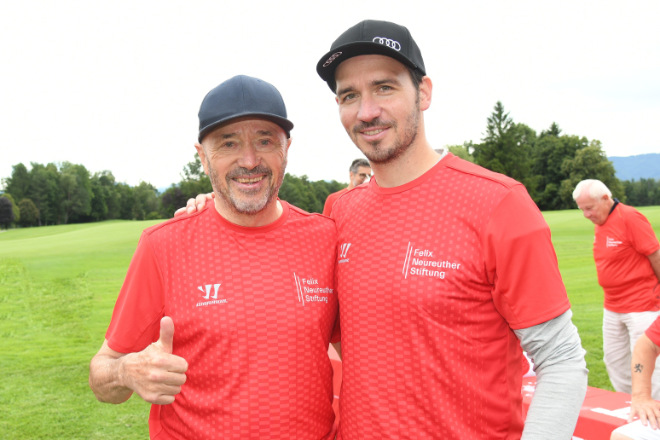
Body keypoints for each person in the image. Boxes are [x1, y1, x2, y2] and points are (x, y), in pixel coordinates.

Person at [183, 20, 588, 439]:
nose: (367, 111)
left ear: (424, 92)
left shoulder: (498, 203)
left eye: (385, 87)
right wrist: (213, 208)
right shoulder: (339, 211)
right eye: (349, 95)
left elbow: (560, 360)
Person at [89, 75, 339, 439]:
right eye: (228, 143)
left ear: (288, 147)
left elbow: (362, 351)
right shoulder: (163, 246)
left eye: (265, 140)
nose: (249, 160)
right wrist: (127, 371)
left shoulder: (325, 238)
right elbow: (102, 371)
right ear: (202, 157)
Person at [573, 179, 660, 398]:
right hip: (612, 306)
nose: (586, 215)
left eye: (589, 208)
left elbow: (655, 255)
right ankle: (630, 407)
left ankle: (654, 411)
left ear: (605, 199)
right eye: (582, 210)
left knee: (647, 362)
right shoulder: (601, 223)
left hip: (642, 306)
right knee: (614, 360)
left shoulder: (629, 218)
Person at [610, 317, 660, 440]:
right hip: (615, 307)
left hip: (640, 308)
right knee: (621, 437)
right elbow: (648, 344)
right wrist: (641, 395)